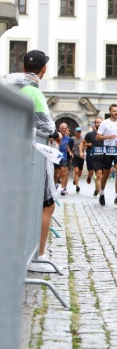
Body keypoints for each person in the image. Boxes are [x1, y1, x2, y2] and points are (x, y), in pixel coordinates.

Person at [6, 50, 62, 272]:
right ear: (44, 69)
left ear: (23, 68)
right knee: (45, 205)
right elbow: (47, 127)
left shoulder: (11, 87)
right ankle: (36, 256)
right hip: (29, 157)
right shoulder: (33, 91)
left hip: (11, 154)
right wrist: (56, 134)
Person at [96, 104, 117, 206]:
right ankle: (102, 193)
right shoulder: (105, 123)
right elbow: (98, 137)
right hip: (107, 150)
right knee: (106, 173)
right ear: (110, 112)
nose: (116, 113)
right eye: (114, 111)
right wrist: (107, 137)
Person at [80, 117, 104, 196]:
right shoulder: (90, 134)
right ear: (95, 124)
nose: (99, 124)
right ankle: (101, 194)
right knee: (97, 174)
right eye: (97, 122)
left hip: (104, 157)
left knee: (101, 176)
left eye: (101, 122)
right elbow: (82, 143)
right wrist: (81, 152)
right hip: (93, 157)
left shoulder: (106, 133)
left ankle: (98, 189)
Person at [55, 123, 71, 195]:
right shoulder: (57, 136)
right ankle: (55, 185)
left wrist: (70, 152)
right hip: (55, 156)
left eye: (65, 128)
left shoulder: (68, 138)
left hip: (64, 156)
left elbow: (67, 146)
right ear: (60, 129)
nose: (64, 130)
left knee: (63, 172)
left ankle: (62, 189)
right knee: (56, 172)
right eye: (63, 128)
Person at [71, 127, 84, 193]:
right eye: (77, 132)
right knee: (76, 171)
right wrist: (71, 149)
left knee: (79, 173)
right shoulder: (72, 139)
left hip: (81, 157)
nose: (79, 133)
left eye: (80, 132)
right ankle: (77, 186)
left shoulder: (83, 139)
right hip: (75, 157)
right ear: (75, 132)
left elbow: (86, 146)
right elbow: (69, 146)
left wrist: (82, 147)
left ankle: (75, 180)